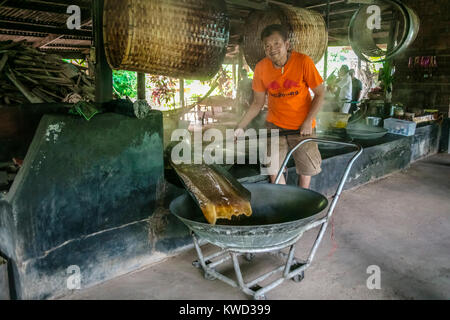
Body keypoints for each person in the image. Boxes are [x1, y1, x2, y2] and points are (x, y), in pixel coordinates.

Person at [234, 24, 325, 189]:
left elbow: (320, 93)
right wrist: (241, 126)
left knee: (306, 169)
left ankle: (302, 199)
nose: (272, 49)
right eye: (267, 46)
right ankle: (282, 197)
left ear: (287, 44)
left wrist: (308, 121)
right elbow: (257, 102)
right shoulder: (261, 68)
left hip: (302, 127)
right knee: (272, 167)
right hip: (275, 126)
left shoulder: (303, 61)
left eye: (277, 43)